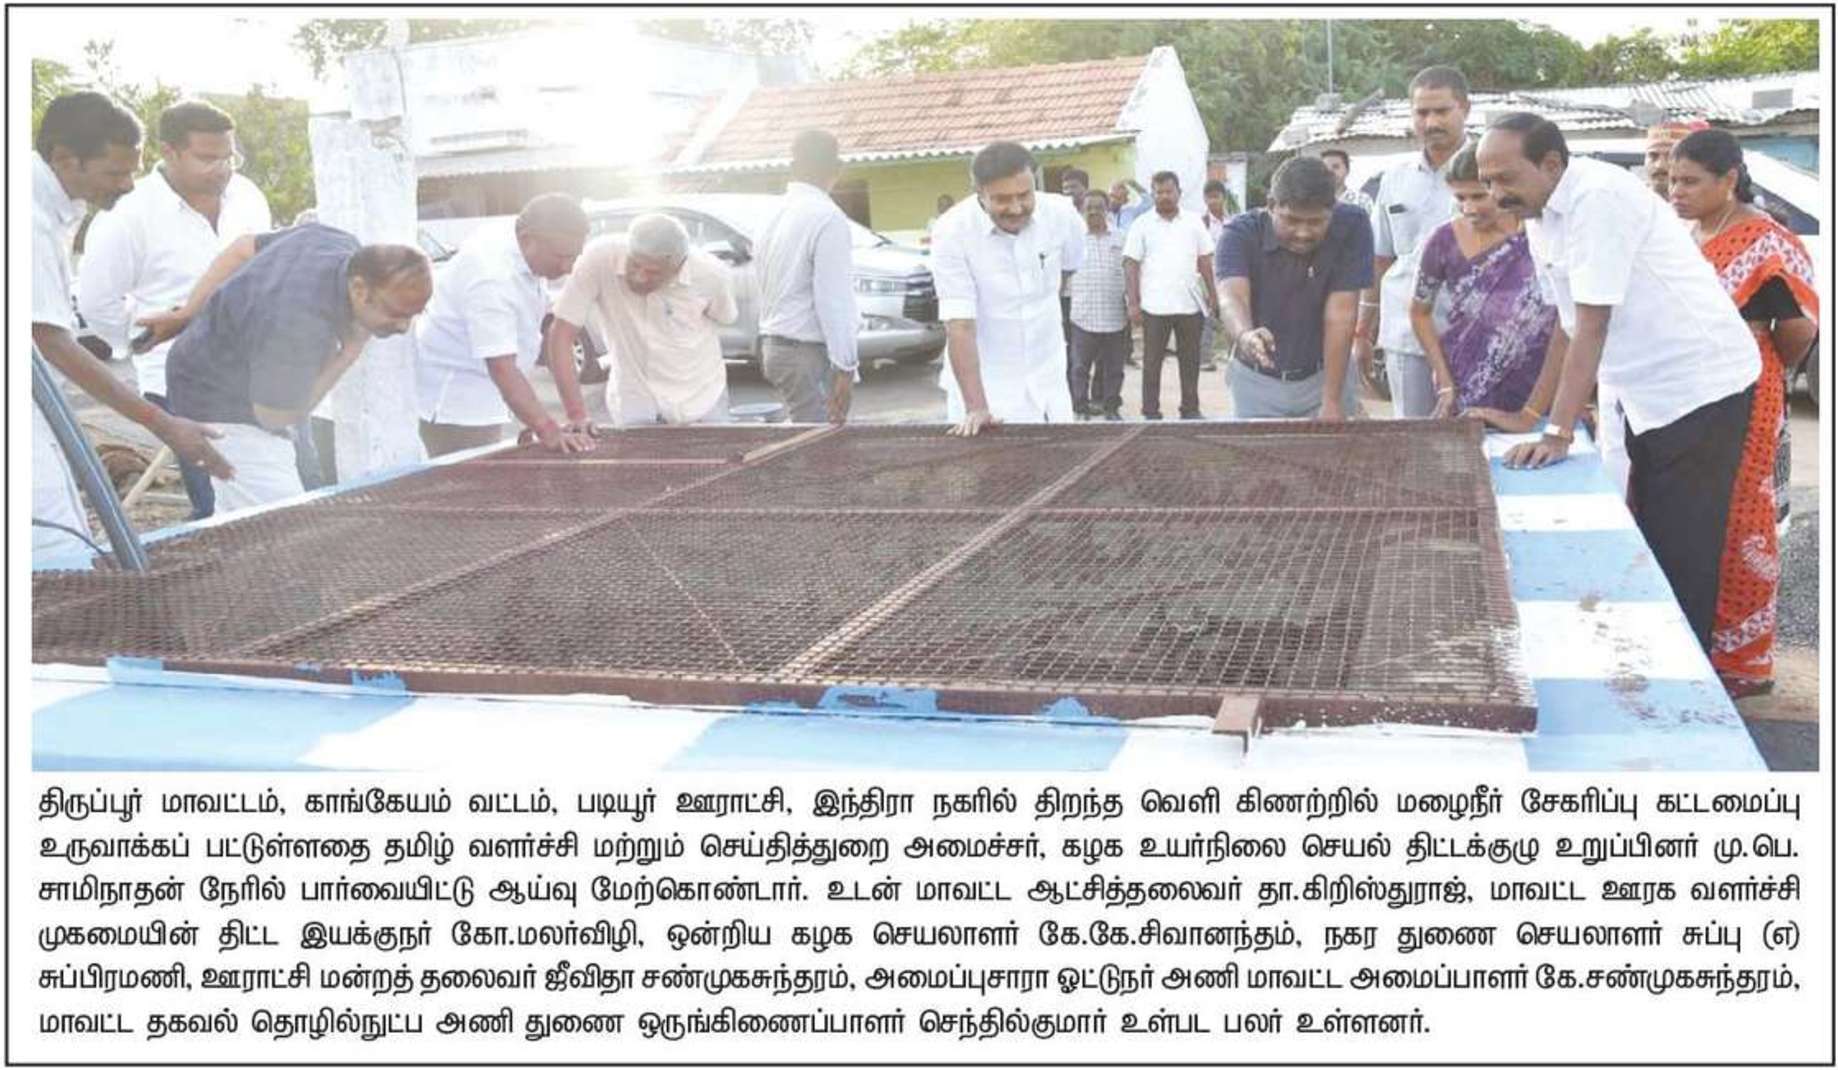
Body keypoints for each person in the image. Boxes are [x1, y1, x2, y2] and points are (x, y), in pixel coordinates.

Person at [1479, 113, 1762, 663]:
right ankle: (1661, 663)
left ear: (1551, 164)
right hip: (1642, 392)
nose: (1495, 194)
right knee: (1649, 535)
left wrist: (1558, 432)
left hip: (1697, 387)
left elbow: (1593, 323)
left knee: (1683, 549)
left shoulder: (1598, 199)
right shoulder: (1539, 211)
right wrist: (1533, 414)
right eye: (1487, 181)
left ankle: (1689, 685)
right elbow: (1566, 323)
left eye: (1505, 179)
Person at [31, 92, 230, 565]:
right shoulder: (27, 221)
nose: (126, 186)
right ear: (64, 158)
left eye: (131, 172)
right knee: (54, 551)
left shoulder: (49, 206)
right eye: (115, 173)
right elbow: (49, 341)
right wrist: (162, 423)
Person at [1668, 128, 1819, 697]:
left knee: (1742, 519)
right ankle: (1699, 645)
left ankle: (1744, 662)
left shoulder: (1768, 242)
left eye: (1690, 182)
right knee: (1694, 515)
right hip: (1687, 394)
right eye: (1672, 181)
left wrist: (1757, 367)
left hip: (1747, 391)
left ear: (1729, 179)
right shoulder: (1688, 234)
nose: (1676, 192)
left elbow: (1798, 330)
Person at [76, 99, 272, 520]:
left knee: (291, 490)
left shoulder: (248, 195)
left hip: (262, 370)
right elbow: (96, 300)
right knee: (222, 509)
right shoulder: (128, 214)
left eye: (229, 157)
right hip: (183, 382)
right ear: (169, 152)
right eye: (207, 158)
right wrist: (140, 341)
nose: (222, 169)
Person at [146, 224, 432, 510]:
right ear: (359, 289)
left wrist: (188, 312)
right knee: (282, 518)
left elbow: (242, 249)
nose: (404, 327)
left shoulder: (333, 241)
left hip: (240, 366)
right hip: (217, 401)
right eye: (395, 313)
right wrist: (348, 353)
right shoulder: (299, 326)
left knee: (278, 498)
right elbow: (275, 417)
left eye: (415, 314)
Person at [414, 193, 593, 457]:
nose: (568, 267)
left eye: (574, 257)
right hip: (459, 408)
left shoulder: (518, 239)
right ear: (528, 239)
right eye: (561, 256)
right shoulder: (491, 278)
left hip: (487, 393)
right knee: (472, 481)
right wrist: (548, 430)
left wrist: (572, 415)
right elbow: (501, 367)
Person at [929, 141, 1085, 435]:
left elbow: (1068, 268)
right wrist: (977, 408)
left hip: (1049, 382)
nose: (1015, 208)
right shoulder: (951, 232)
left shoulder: (1062, 215)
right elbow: (959, 324)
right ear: (979, 192)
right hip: (989, 389)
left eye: (1024, 195)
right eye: (1001, 199)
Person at [1406, 143, 1560, 421]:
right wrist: (1444, 381)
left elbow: (1568, 316)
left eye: (1478, 196)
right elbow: (1419, 312)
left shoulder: (1540, 235)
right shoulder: (1443, 242)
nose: (1469, 208)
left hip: (1539, 383)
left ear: (1501, 188)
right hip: (1467, 380)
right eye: (1460, 198)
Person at [544, 214, 739, 428]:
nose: (640, 276)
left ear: (679, 267)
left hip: (702, 400)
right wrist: (577, 415)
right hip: (634, 403)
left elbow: (724, 316)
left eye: (653, 272)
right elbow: (561, 334)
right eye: (635, 264)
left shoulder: (712, 275)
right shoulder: (599, 259)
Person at [1215, 155, 1371, 420]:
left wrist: (1332, 400)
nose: (1303, 233)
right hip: (1256, 381)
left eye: (1316, 222)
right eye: (1292, 220)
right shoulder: (1238, 234)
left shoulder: (1352, 225)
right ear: (1271, 205)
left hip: (1327, 376)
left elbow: (1341, 315)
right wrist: (1245, 335)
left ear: (1333, 210)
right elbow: (1232, 298)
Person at [1357, 66, 1473, 418]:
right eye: (1422, 113)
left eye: (1442, 111)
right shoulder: (1395, 178)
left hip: (1474, 332)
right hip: (1406, 336)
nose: (1431, 122)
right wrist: (1363, 330)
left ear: (1465, 109)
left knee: (1478, 433)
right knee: (1413, 434)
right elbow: (1381, 258)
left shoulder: (1489, 170)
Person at [756, 129, 861, 424]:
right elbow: (834, 299)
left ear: (792, 167)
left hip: (774, 346)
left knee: (807, 434)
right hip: (805, 352)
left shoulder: (771, 213)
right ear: (837, 169)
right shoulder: (827, 216)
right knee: (821, 442)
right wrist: (846, 366)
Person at [1125, 170, 1218, 420]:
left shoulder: (1194, 222)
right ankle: (1150, 411)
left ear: (1179, 193)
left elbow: (1205, 261)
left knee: (1190, 362)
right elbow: (1131, 264)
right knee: (1152, 363)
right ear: (1153, 194)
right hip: (1154, 306)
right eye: (1159, 192)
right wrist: (1133, 303)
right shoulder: (1142, 224)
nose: (1164, 196)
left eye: (1169, 191)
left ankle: (1190, 409)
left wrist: (1213, 294)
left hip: (1190, 305)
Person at [1068, 189, 1129, 421]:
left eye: (1099, 207)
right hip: (1083, 314)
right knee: (1080, 367)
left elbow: (1130, 271)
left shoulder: (1121, 238)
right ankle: (1081, 408)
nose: (1093, 212)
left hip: (1115, 314)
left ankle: (1111, 407)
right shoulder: (1074, 239)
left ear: (1107, 210)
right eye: (1089, 208)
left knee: (1114, 368)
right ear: (1082, 210)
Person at [1199, 179, 1236, 372]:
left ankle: (1235, 356)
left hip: (1230, 277)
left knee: (1232, 316)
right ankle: (1204, 358)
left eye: (1217, 196)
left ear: (1224, 197)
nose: (1213, 201)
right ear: (1205, 199)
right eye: (1209, 197)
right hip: (1208, 278)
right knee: (1207, 317)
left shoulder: (1234, 222)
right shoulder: (1202, 223)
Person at [1644, 119, 1708, 198]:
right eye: (1653, 156)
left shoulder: (1707, 203)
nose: (1660, 165)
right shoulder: (1632, 200)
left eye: (1670, 157)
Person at [1320, 148, 1373, 214]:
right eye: (1325, 168)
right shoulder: (1314, 201)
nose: (1330, 172)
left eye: (1335, 167)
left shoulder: (1362, 200)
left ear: (1347, 170)